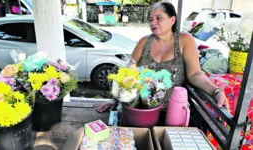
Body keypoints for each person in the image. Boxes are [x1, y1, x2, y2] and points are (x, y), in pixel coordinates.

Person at [96, 1, 230, 113]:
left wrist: (216, 91)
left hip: (171, 111)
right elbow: (128, 73)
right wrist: (116, 99)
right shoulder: (144, 42)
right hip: (139, 109)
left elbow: (195, 74)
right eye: (151, 19)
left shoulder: (185, 40)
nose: (153, 22)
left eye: (159, 18)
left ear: (172, 20)